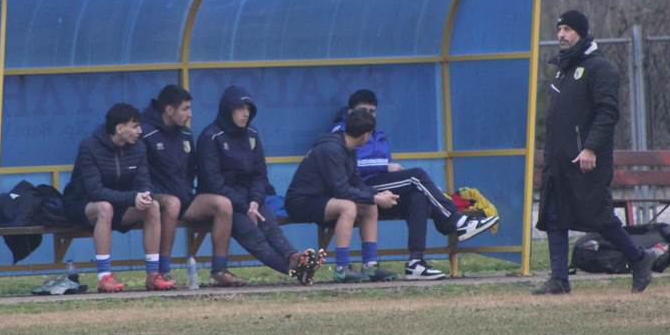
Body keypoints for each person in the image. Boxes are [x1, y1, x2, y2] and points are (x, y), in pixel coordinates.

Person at [533, 10, 664, 295]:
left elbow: (607, 113)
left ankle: (639, 258)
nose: (561, 35)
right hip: (559, 159)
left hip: (586, 160)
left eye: (567, 29)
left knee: (600, 218)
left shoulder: (599, 68)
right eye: (559, 29)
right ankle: (559, 279)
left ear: (581, 32)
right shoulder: (564, 69)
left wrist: (590, 147)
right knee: (553, 216)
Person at [331, 89, 499, 280]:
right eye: (364, 111)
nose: (369, 115)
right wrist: (385, 166)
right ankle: (457, 222)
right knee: (416, 176)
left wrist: (389, 169)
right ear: (351, 112)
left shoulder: (378, 135)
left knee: (418, 197)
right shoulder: (342, 132)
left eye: (372, 111)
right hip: (361, 187)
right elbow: (349, 164)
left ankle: (415, 263)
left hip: (383, 188)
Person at [197, 85, 324, 285]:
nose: (245, 113)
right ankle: (293, 269)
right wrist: (244, 206)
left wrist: (255, 201)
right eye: (240, 108)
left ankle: (294, 257)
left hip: (251, 198)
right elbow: (211, 181)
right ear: (228, 109)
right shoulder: (211, 136)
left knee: (271, 227)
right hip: (226, 201)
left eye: (249, 108)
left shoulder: (252, 134)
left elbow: (260, 173)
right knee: (252, 234)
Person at [141, 84, 242, 288]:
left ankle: (219, 271)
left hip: (184, 197)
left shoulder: (186, 134)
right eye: (185, 109)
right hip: (157, 201)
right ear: (169, 109)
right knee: (173, 203)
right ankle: (163, 271)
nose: (190, 114)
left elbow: (192, 169)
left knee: (223, 204)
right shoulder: (146, 133)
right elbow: (140, 173)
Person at [286, 108, 400, 283]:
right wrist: (375, 198)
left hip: (324, 199)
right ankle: (342, 268)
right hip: (302, 202)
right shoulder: (331, 149)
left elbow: (356, 182)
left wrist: (377, 195)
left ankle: (370, 264)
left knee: (370, 206)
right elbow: (342, 190)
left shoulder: (348, 148)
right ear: (366, 135)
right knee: (348, 207)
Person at [62, 102, 162, 293]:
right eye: (135, 126)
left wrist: (144, 195)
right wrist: (132, 197)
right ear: (119, 128)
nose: (140, 131)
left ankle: (153, 275)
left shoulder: (139, 147)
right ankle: (104, 276)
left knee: (153, 206)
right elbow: (95, 192)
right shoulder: (89, 146)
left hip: (121, 205)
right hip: (83, 206)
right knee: (104, 207)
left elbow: (144, 182)